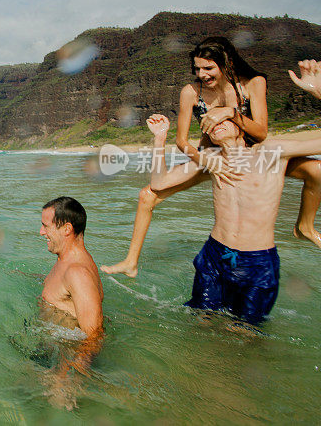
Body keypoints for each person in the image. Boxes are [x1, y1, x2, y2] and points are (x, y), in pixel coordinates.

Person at [102, 40, 321, 278]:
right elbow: (183, 142)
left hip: (254, 156)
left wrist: (231, 113)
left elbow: (260, 132)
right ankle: (130, 262)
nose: (201, 75)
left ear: (225, 63)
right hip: (211, 156)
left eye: (208, 68)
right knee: (147, 195)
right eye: (197, 69)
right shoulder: (191, 92)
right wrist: (208, 162)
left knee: (317, 169)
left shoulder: (253, 84)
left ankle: (305, 226)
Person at [141, 61, 321, 323]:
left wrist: (317, 91)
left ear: (242, 124)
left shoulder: (270, 152)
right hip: (215, 255)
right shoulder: (212, 159)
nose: (215, 123)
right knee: (200, 321)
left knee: (246, 335)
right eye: (209, 123)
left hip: (257, 263)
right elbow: (159, 183)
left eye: (222, 118)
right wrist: (159, 139)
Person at [38, 197, 103, 408]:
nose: (41, 232)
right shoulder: (64, 260)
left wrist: (65, 381)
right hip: (52, 352)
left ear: (66, 229)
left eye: (46, 226)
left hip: (63, 362)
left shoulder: (78, 273)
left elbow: (94, 335)